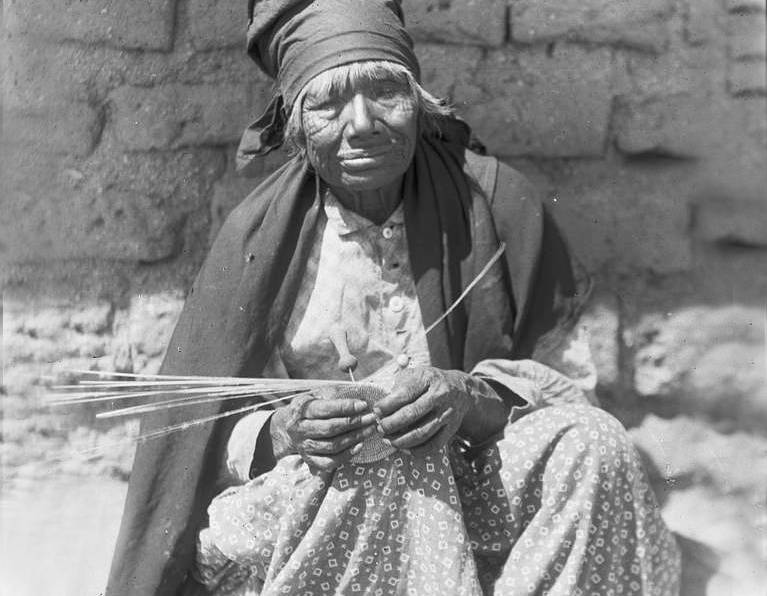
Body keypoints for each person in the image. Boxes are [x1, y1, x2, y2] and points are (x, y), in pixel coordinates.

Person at [106, 1, 681, 594]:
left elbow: (568, 388)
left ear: (419, 102)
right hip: (325, 500)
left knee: (596, 444)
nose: (362, 123)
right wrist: (284, 431)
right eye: (328, 102)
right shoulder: (258, 243)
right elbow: (199, 433)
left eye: (384, 91)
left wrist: (470, 398)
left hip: (476, 484)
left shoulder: (495, 201)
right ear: (297, 129)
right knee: (377, 457)